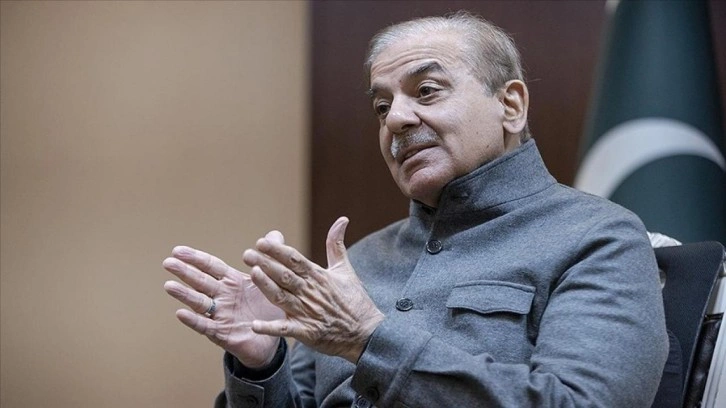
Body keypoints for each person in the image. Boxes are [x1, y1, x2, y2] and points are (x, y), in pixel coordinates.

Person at [163, 12, 669, 407]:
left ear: (511, 105)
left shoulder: (597, 238)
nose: (397, 120)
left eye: (426, 91)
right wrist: (261, 365)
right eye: (382, 107)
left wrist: (369, 339)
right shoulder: (359, 260)